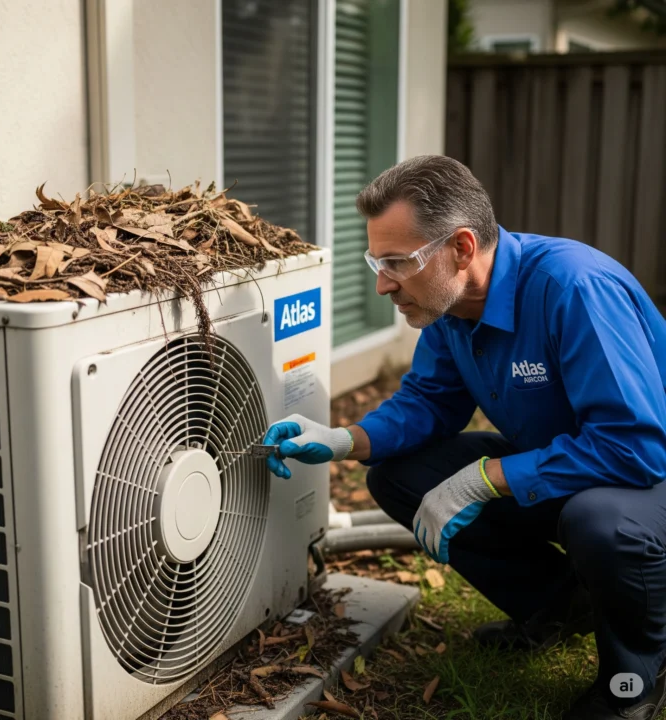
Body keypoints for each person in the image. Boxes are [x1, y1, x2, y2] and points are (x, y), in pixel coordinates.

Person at [263, 155, 666, 720]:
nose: (383, 284)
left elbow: (634, 446)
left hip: (647, 477)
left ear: (462, 247)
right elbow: (429, 403)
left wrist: (485, 479)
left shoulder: (573, 288)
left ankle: (634, 677)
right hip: (572, 465)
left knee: (601, 523)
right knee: (401, 477)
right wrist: (341, 439)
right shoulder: (450, 306)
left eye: (398, 262)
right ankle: (559, 605)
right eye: (377, 261)